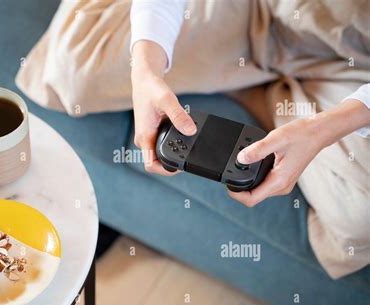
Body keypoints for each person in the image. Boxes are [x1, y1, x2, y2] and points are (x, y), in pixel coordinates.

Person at [130, 0, 370, 208]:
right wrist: (144, 72)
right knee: (92, 77)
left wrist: (319, 130)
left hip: (355, 60)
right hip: (256, 12)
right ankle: (258, 88)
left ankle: (259, 93)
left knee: (356, 216)